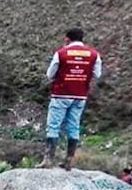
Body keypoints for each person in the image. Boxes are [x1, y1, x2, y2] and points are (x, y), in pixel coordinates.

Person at [39, 28, 103, 170]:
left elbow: (50, 74)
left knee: (53, 126)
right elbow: (97, 74)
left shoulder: (61, 53)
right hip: (80, 95)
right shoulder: (94, 54)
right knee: (74, 126)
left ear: (67, 38)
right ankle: (69, 161)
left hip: (61, 94)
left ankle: (48, 160)